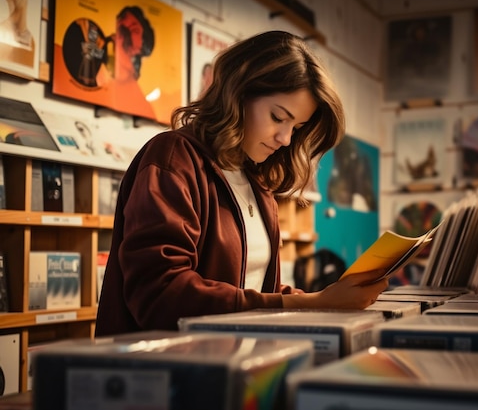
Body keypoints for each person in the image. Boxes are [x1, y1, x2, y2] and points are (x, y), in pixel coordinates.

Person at [95, 30, 389, 337]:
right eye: (278, 117)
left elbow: (253, 288)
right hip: (163, 374)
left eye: (297, 127)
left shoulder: (256, 181)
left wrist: (320, 299)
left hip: (234, 365)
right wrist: (312, 302)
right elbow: (160, 295)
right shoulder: (174, 157)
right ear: (240, 93)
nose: (286, 138)